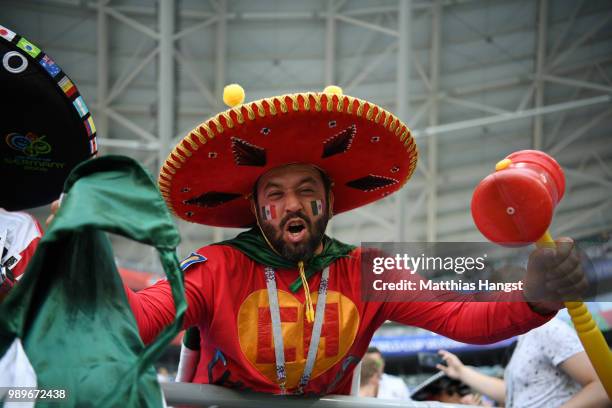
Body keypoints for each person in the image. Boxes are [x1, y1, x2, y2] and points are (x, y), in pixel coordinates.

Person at [47, 85, 589, 396]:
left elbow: (462, 314)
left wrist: (531, 293)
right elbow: (140, 319)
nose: (291, 205)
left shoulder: (369, 268)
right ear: (256, 209)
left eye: (307, 189)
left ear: (329, 201)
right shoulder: (216, 266)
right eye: (275, 194)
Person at [437, 317, 609, 407]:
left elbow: (603, 387)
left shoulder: (547, 328)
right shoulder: (525, 338)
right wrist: (462, 372)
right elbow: (513, 393)